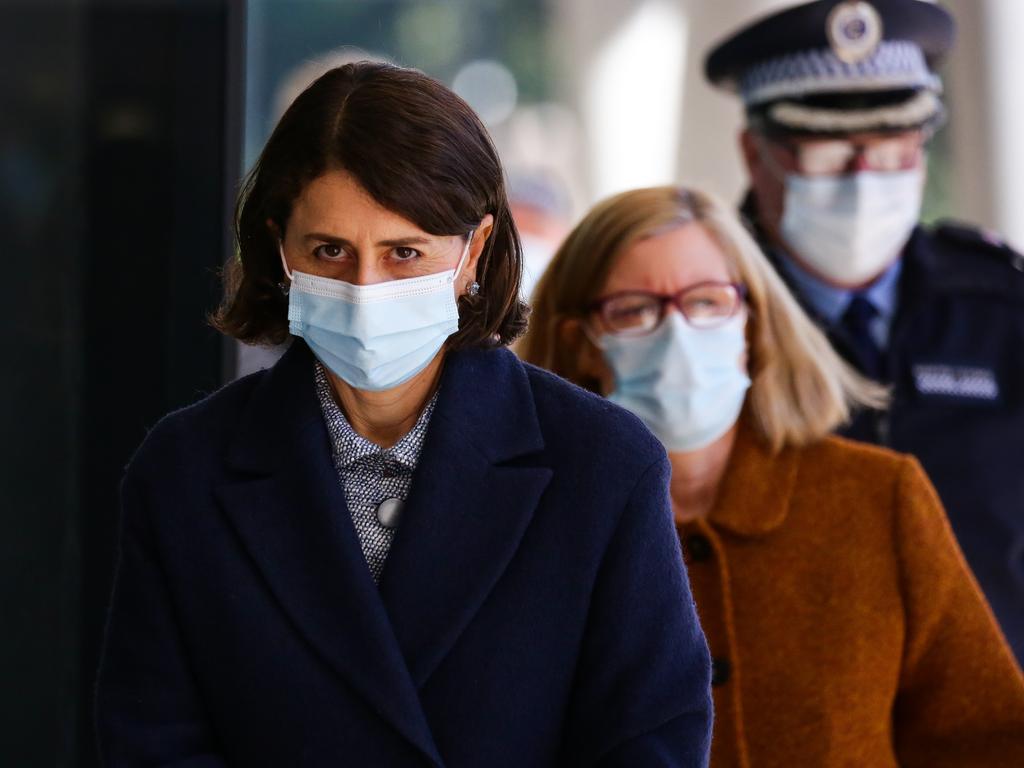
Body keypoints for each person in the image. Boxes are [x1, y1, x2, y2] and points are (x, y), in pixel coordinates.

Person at [95, 63, 713, 767]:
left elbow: (650, 741)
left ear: (472, 251)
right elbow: (153, 743)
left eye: (404, 253)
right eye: (329, 250)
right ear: (279, 249)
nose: (365, 287)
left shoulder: (602, 465)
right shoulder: (186, 473)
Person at [519, 184, 1024, 767]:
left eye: (707, 302)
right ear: (580, 343)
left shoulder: (876, 500)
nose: (678, 335)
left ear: (752, 327)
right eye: (635, 310)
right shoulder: (532, 527)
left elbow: (985, 739)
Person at [702, 0, 1024, 664]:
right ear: (753, 153)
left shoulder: (1000, 308)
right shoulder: (701, 314)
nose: (864, 179)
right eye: (831, 153)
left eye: (889, 150)